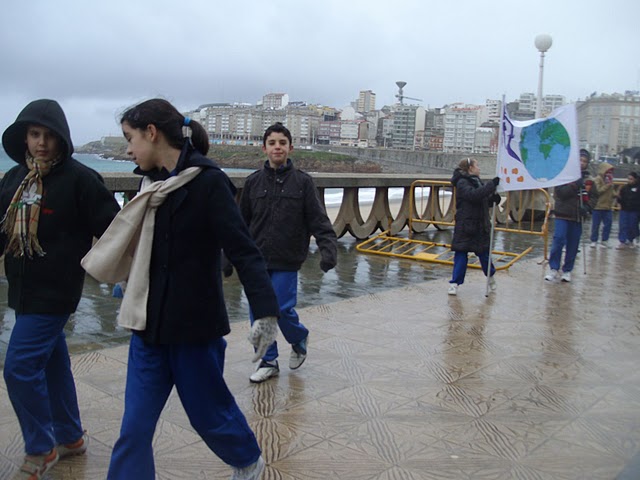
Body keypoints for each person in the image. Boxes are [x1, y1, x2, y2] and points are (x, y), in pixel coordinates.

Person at [80, 99, 280, 480]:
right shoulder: (150, 184)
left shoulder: (208, 183)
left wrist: (267, 312)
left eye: (130, 138)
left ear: (151, 133)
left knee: (209, 415)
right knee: (134, 429)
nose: (127, 150)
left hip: (194, 330)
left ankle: (248, 462)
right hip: (148, 327)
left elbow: (244, 250)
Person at [0, 99, 121, 480]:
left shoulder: (81, 180)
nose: (41, 143)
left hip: (56, 292)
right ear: (24, 137)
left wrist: (126, 276)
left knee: (18, 367)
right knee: (51, 364)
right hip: (21, 289)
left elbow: (115, 231)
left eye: (50, 136)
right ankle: (70, 438)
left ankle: (41, 448)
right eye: (35, 135)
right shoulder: (14, 179)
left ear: (62, 140)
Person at [239, 122, 338, 383]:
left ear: (290, 147)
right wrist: (228, 257)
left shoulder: (303, 183)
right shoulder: (252, 183)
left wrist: (328, 249)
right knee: (259, 312)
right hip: (256, 260)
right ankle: (268, 360)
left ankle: (298, 336)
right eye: (272, 143)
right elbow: (239, 225)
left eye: (282, 143)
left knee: (280, 310)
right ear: (264, 148)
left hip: (286, 258)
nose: (277, 147)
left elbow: (319, 220)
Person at [447, 157, 500, 296]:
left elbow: (482, 199)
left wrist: (492, 199)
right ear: (470, 168)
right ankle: (454, 283)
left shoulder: (477, 181)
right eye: (477, 165)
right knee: (461, 253)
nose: (479, 168)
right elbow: (473, 196)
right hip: (466, 225)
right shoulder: (462, 182)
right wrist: (491, 186)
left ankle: (491, 277)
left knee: (484, 255)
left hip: (479, 224)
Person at [544, 149, 592, 283]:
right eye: (580, 160)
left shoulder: (588, 179)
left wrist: (588, 208)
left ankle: (567, 270)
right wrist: (575, 185)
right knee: (558, 240)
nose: (582, 163)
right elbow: (560, 193)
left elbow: (593, 196)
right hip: (562, 214)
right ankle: (553, 268)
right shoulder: (564, 175)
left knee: (573, 244)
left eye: (585, 161)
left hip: (577, 216)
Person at [589, 162, 615, 248]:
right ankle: (594, 240)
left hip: (608, 206)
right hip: (598, 206)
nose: (609, 173)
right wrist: (607, 186)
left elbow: (612, 192)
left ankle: (604, 240)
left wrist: (616, 194)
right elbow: (598, 191)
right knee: (596, 225)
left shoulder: (610, 179)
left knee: (608, 223)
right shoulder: (598, 179)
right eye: (608, 170)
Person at [615, 171, 640, 249]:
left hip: (634, 210)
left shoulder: (639, 188)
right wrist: (619, 202)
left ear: (635, 179)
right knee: (623, 225)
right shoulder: (624, 188)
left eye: (631, 179)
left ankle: (631, 240)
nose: (629, 180)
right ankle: (622, 241)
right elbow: (619, 198)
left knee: (632, 225)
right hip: (624, 209)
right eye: (628, 179)